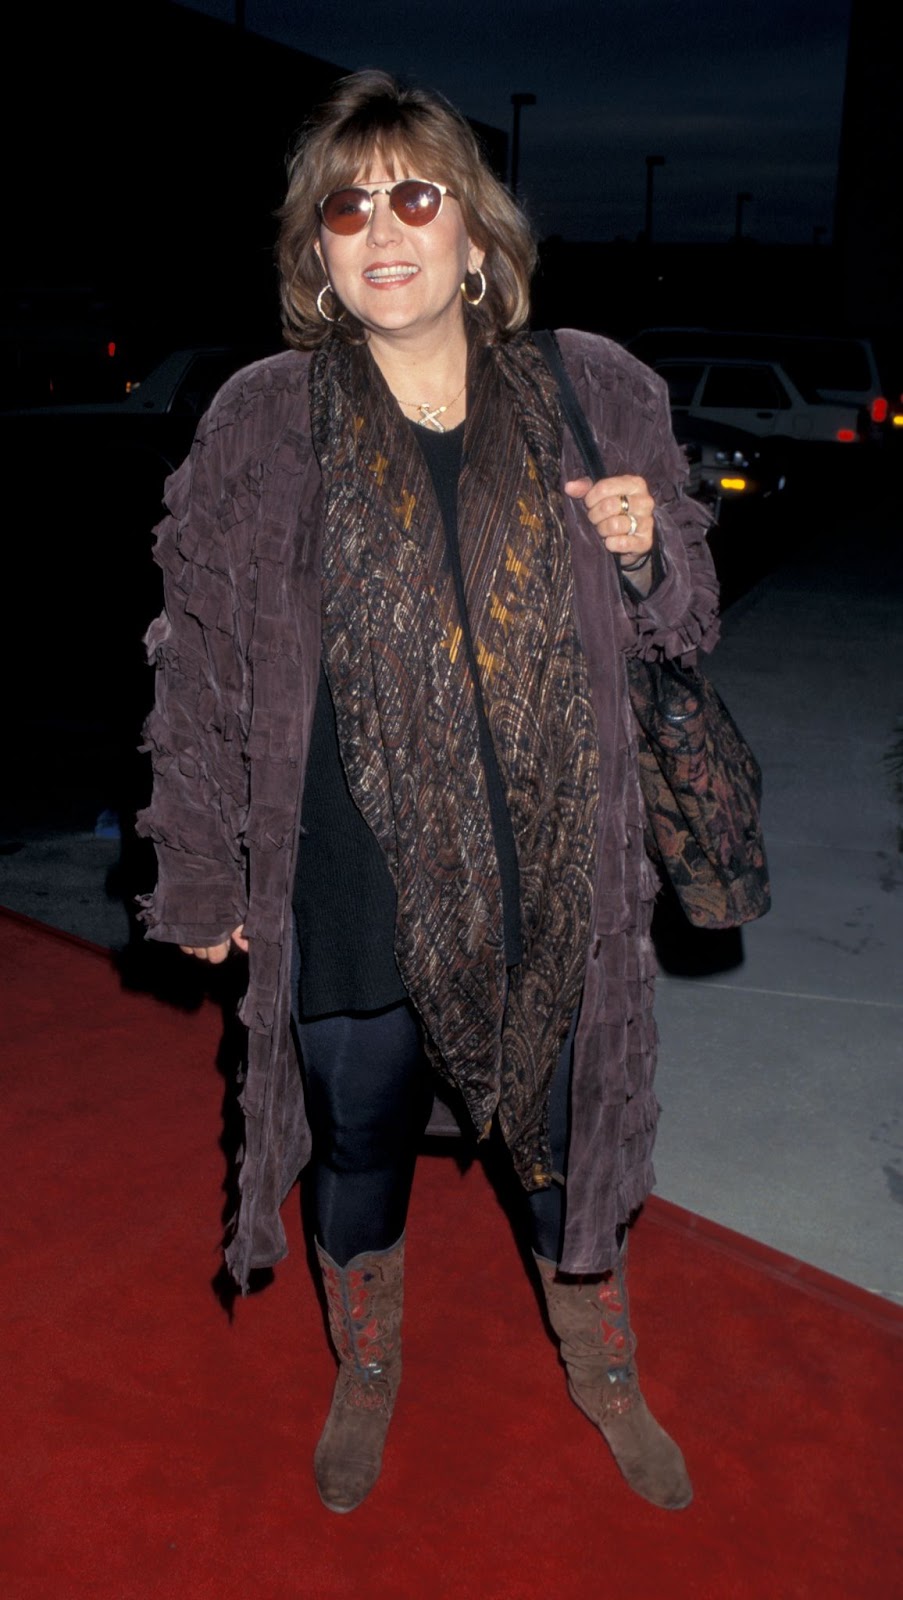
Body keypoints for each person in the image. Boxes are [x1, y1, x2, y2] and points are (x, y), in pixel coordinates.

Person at [137, 69, 719, 1517]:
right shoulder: (267, 420)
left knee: (566, 1137)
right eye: (346, 205)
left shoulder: (594, 390)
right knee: (360, 1130)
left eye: (416, 194)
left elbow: (685, 620)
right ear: (316, 257)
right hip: (345, 857)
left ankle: (599, 1361)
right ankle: (372, 1361)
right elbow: (199, 654)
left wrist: (650, 552)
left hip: (553, 856)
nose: (381, 226)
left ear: (475, 235)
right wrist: (203, 872)